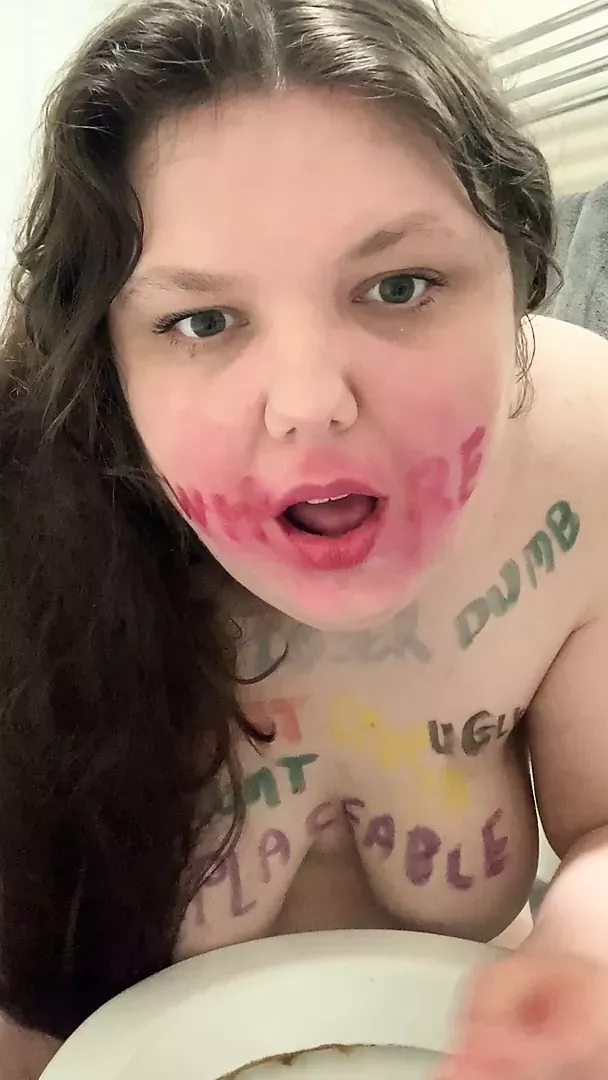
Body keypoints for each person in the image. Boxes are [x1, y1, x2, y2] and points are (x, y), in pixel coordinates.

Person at [2, 0, 608, 1075]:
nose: (311, 402)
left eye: (399, 287)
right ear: (108, 355)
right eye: (202, 321)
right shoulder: (26, 504)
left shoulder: (577, 447)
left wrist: (584, 955)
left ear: (517, 274)